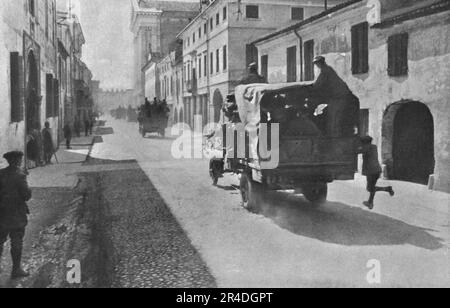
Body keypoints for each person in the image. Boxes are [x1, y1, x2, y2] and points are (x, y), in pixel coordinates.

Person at [0, 151, 32, 279]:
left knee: (0, 241)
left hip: (1, 213)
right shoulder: (20, 175)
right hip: (16, 213)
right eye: (19, 159)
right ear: (18, 161)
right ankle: (16, 269)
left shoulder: (0, 173)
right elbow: (26, 195)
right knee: (16, 241)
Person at [311, 56, 359, 137]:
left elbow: (318, 85)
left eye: (317, 64)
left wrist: (311, 88)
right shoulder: (327, 70)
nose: (317, 65)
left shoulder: (326, 71)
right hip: (339, 97)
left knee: (334, 117)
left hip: (340, 97)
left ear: (320, 63)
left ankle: (334, 136)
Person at [358, 136, 395, 210]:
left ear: (365, 142)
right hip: (377, 170)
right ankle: (370, 202)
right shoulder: (374, 147)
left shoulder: (366, 148)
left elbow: (356, 151)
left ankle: (387, 189)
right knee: (371, 188)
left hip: (371, 171)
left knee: (370, 188)